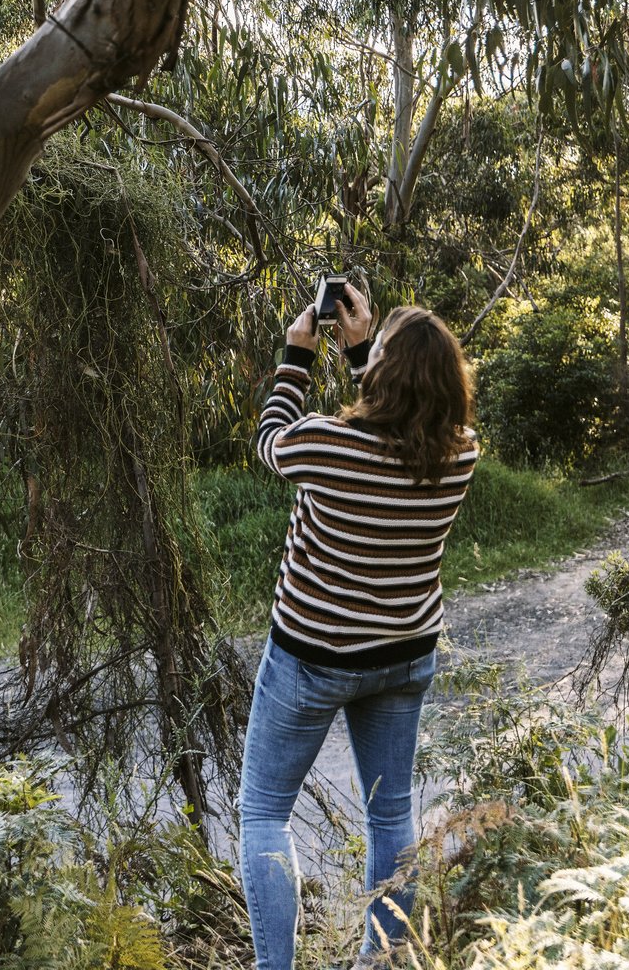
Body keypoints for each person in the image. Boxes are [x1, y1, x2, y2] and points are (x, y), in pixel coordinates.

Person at [237, 284, 477, 970]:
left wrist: (297, 353)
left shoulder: (324, 443)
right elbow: (401, 418)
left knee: (263, 814)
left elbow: (269, 442)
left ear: (386, 372)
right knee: (390, 815)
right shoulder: (459, 454)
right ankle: (382, 962)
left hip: (310, 656)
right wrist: (369, 349)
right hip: (404, 654)